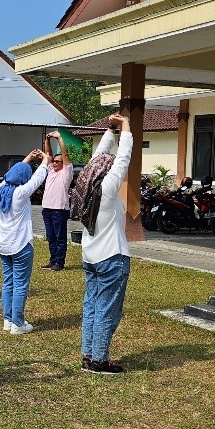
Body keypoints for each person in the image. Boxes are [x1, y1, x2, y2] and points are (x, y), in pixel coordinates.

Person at [71, 113, 133, 375]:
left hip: (91, 258)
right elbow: (123, 159)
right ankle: (99, 360)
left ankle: (88, 355)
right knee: (107, 310)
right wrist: (126, 128)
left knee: (92, 306)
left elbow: (98, 158)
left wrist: (110, 129)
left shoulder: (85, 190)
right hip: (112, 258)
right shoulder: (107, 190)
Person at [0, 148, 50, 334]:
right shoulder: (20, 193)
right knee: (20, 284)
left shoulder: (0, 189)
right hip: (20, 245)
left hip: (3, 245)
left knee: (7, 282)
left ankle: (8, 320)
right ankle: (18, 323)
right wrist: (44, 160)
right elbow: (37, 178)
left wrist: (27, 159)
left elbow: (10, 175)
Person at [41, 131, 73, 271]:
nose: (54, 163)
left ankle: (59, 262)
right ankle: (53, 260)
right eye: (54, 161)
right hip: (47, 209)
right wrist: (47, 139)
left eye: (57, 161)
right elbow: (48, 154)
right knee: (51, 237)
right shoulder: (51, 171)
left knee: (60, 238)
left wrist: (59, 138)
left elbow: (65, 156)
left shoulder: (66, 173)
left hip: (59, 210)